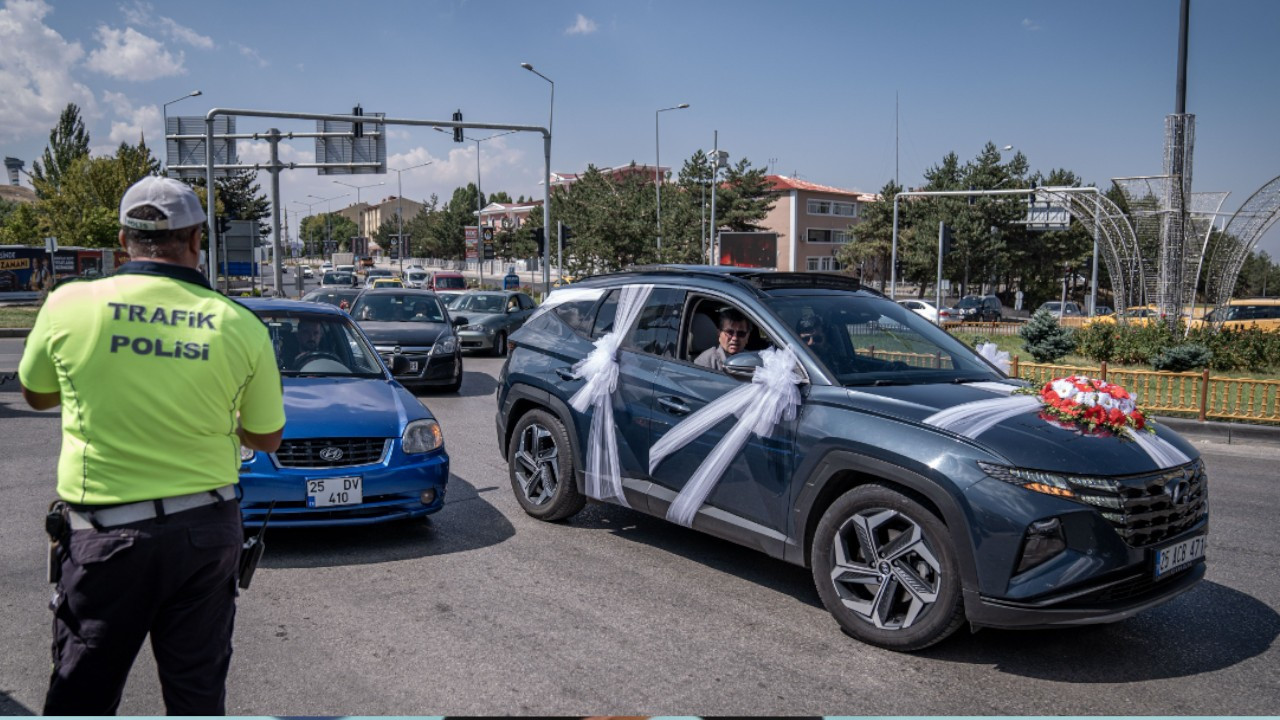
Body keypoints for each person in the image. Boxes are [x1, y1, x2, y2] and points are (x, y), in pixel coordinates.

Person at [18, 176, 286, 715]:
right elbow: (266, 436)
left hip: (103, 536)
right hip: (206, 534)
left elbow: (37, 394)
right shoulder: (239, 324)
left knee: (80, 694)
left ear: (123, 239)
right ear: (196, 241)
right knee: (196, 695)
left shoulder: (69, 303)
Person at [695, 307, 752, 371]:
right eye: (729, 332)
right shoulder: (706, 362)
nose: (735, 338)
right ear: (719, 334)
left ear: (747, 336)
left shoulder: (753, 360)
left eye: (741, 333)